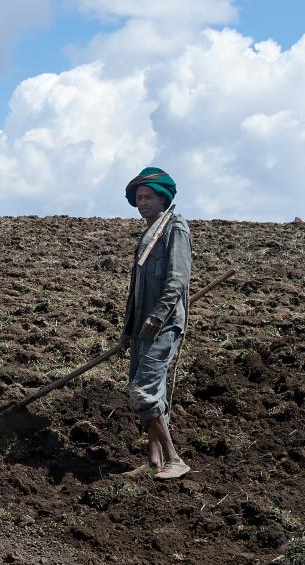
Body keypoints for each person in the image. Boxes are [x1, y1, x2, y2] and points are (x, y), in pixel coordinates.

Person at [119, 167, 193, 479]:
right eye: (139, 197)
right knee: (152, 391)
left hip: (162, 324)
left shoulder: (175, 228)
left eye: (149, 197)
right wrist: (127, 330)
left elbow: (178, 279)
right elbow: (135, 289)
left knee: (143, 388)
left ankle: (175, 459)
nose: (143, 203)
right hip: (141, 327)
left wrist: (159, 314)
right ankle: (154, 460)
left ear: (163, 198)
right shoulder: (149, 234)